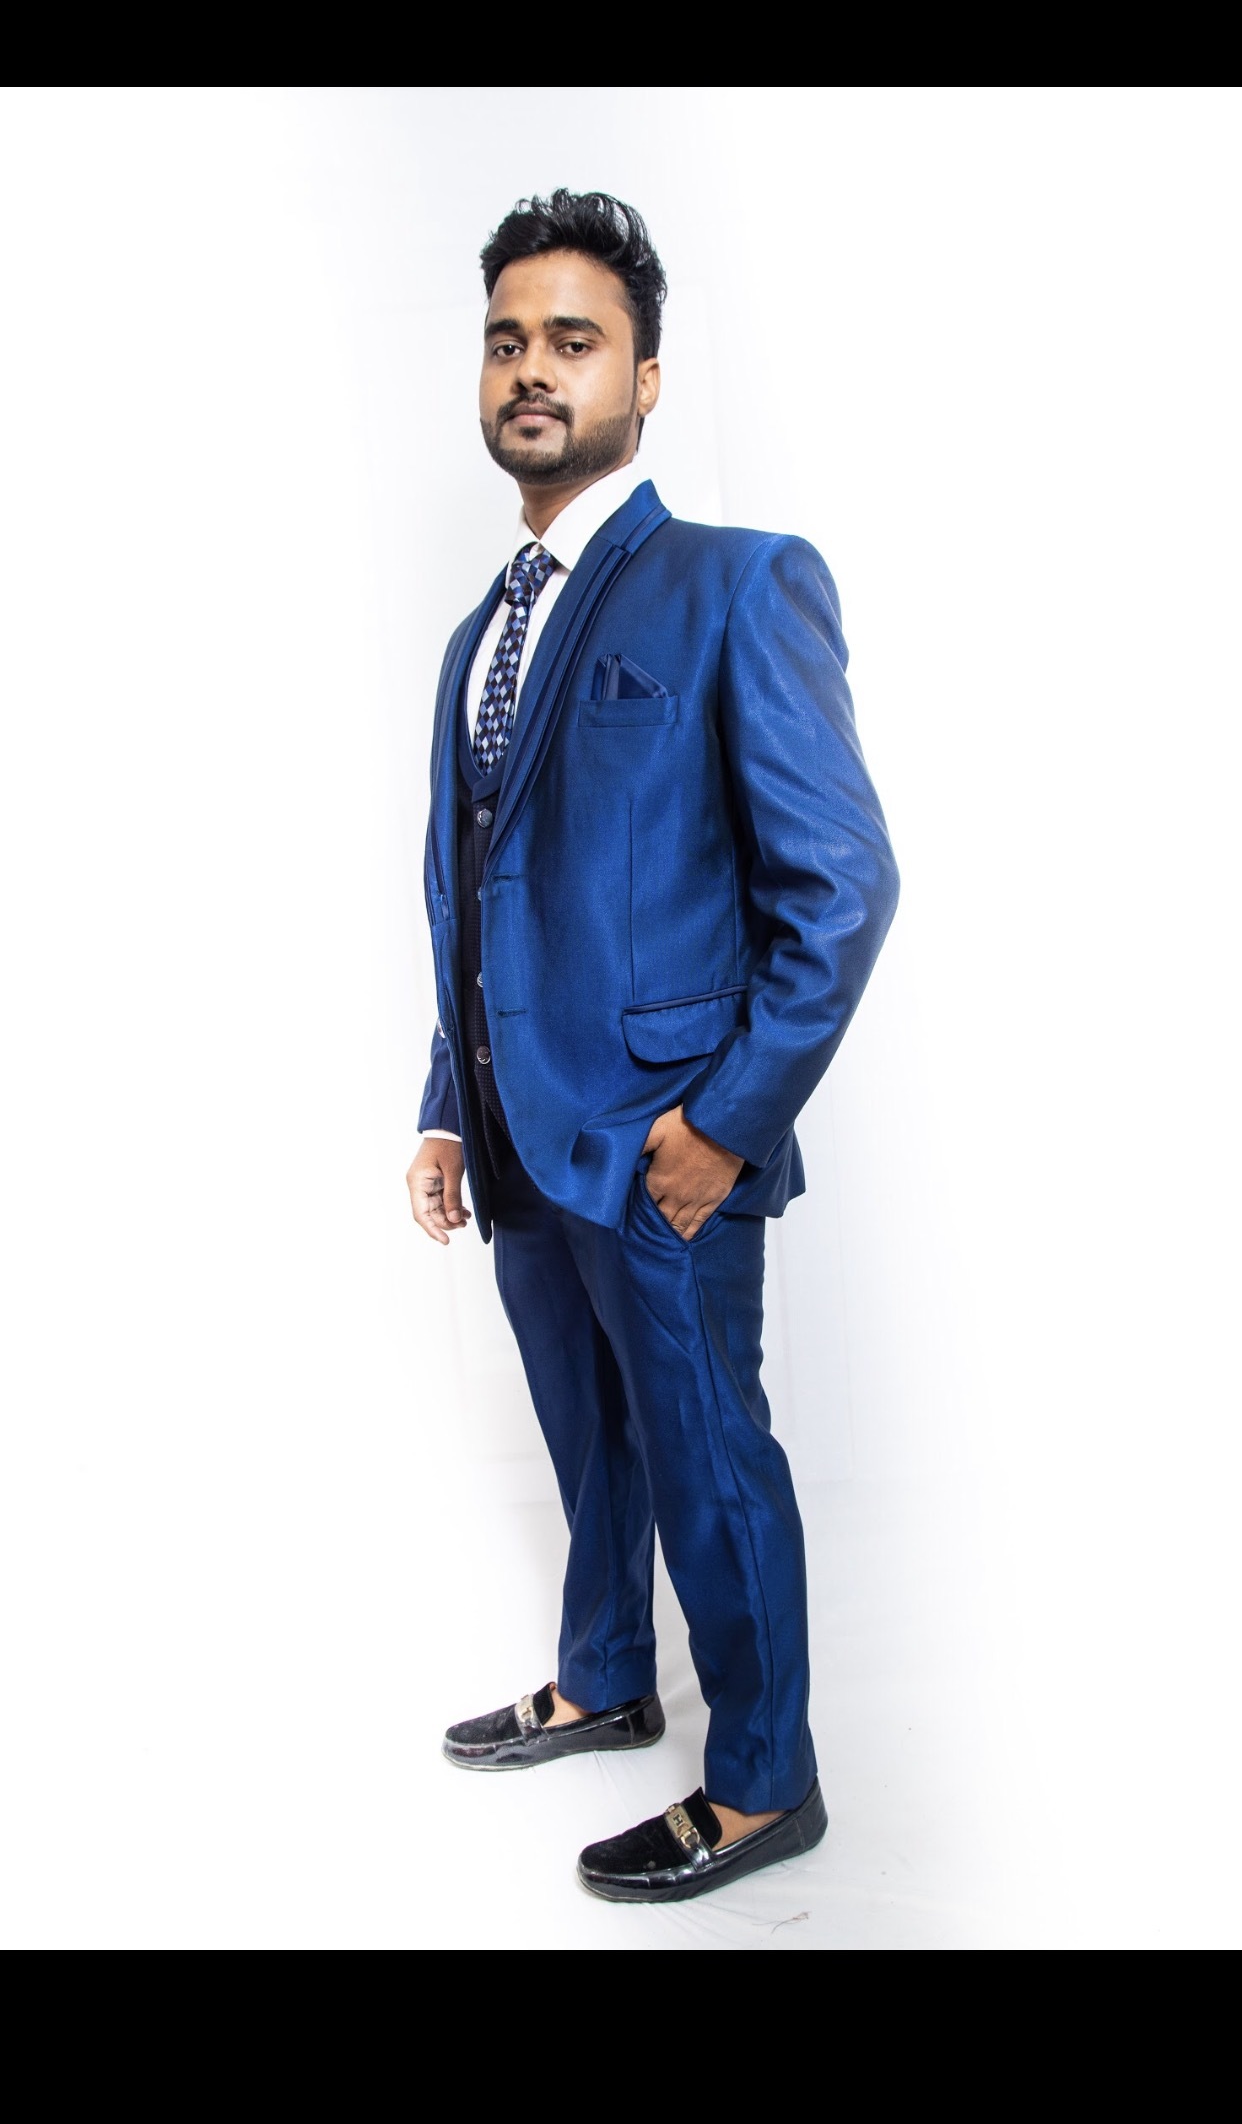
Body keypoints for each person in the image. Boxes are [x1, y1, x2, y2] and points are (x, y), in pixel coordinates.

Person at [406, 189, 899, 1904]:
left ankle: (764, 1784)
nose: (531, 370)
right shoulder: (481, 631)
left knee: (708, 1461)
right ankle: (607, 1675)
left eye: (574, 339)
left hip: (665, 1145)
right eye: (506, 341)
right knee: (587, 1440)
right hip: (521, 1142)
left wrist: (726, 1125)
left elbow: (841, 886)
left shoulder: (735, 584)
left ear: (648, 377)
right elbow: (484, 896)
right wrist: (447, 1107)